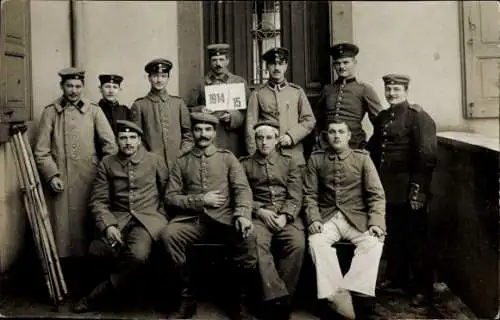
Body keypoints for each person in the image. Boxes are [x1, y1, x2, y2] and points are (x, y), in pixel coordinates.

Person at [161, 112, 257, 320]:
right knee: (170, 235)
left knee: (248, 237)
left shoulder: (227, 158)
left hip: (225, 219)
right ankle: (187, 299)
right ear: (193, 132)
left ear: (214, 133)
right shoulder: (182, 161)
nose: (202, 134)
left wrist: (242, 214)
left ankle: (238, 301)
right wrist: (200, 200)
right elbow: (170, 197)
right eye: (198, 129)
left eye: (207, 130)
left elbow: (242, 189)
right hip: (193, 221)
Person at [34, 67, 117, 294]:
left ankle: (88, 285)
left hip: (89, 183)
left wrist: (102, 176)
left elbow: (110, 147)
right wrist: (51, 175)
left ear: (83, 87)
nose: (74, 91)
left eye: (78, 86)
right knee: (62, 236)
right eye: (69, 86)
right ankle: (64, 284)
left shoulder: (93, 111)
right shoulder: (51, 112)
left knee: (87, 232)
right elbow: (40, 151)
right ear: (62, 86)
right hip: (59, 185)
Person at [72, 120, 169, 313]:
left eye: (133, 138)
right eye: (123, 138)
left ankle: (96, 296)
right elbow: (98, 201)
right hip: (118, 220)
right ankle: (125, 295)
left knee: (137, 255)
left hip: (148, 221)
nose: (128, 142)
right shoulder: (107, 163)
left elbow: (168, 193)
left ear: (140, 140)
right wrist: (108, 226)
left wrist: (161, 218)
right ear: (117, 140)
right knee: (97, 250)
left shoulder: (155, 160)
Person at [367, 74, 437, 307]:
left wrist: (418, 191)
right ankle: (397, 279)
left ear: (406, 90)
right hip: (387, 188)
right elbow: (375, 148)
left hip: (409, 189)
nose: (391, 93)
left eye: (396, 89)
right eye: (388, 89)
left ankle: (423, 289)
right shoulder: (384, 117)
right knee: (395, 236)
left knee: (416, 239)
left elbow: (426, 157)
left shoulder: (418, 117)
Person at [304, 119, 386, 319]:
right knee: (316, 241)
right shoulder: (316, 159)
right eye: (332, 132)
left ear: (349, 135)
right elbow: (309, 195)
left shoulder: (362, 159)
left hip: (356, 217)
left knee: (374, 242)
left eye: (341, 132)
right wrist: (314, 218)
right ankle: (337, 297)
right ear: (326, 136)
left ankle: (352, 292)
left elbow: (376, 195)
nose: (337, 136)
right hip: (327, 217)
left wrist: (376, 222)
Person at [240, 120, 305, 320]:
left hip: (287, 217)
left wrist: (286, 216)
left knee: (297, 244)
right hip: (260, 216)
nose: (264, 143)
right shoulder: (245, 164)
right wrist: (259, 210)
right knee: (256, 243)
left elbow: (296, 194)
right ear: (255, 140)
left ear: (277, 140)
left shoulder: (289, 162)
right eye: (260, 138)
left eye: (269, 138)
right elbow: (241, 194)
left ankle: (281, 299)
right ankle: (277, 300)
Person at [245, 47, 316, 168]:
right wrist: (255, 156)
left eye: (280, 64)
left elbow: (309, 120)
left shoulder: (297, 92)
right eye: (272, 64)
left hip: (293, 155)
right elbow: (250, 127)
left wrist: (292, 136)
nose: (277, 68)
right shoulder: (258, 93)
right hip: (266, 157)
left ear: (286, 66)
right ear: (267, 67)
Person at [186, 43, 250, 157]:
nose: (218, 64)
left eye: (221, 59)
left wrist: (232, 116)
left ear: (228, 61)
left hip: (232, 139)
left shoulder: (238, 82)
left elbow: (248, 113)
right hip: (208, 139)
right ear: (210, 61)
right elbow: (188, 109)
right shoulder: (201, 84)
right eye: (214, 60)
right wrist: (201, 109)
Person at [314, 43, 383, 150]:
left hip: (354, 146)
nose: (341, 67)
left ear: (354, 63)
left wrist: (370, 146)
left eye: (346, 62)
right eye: (337, 63)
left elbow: (380, 122)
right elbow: (316, 118)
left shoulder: (364, 89)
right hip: (327, 146)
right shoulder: (327, 89)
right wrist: (318, 139)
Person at [130, 58, 193, 170]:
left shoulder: (178, 103)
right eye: (155, 76)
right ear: (149, 78)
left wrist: (180, 154)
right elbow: (136, 139)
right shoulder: (139, 105)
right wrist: (148, 158)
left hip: (178, 164)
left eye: (163, 76)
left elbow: (188, 135)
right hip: (151, 165)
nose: (159, 80)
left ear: (168, 78)